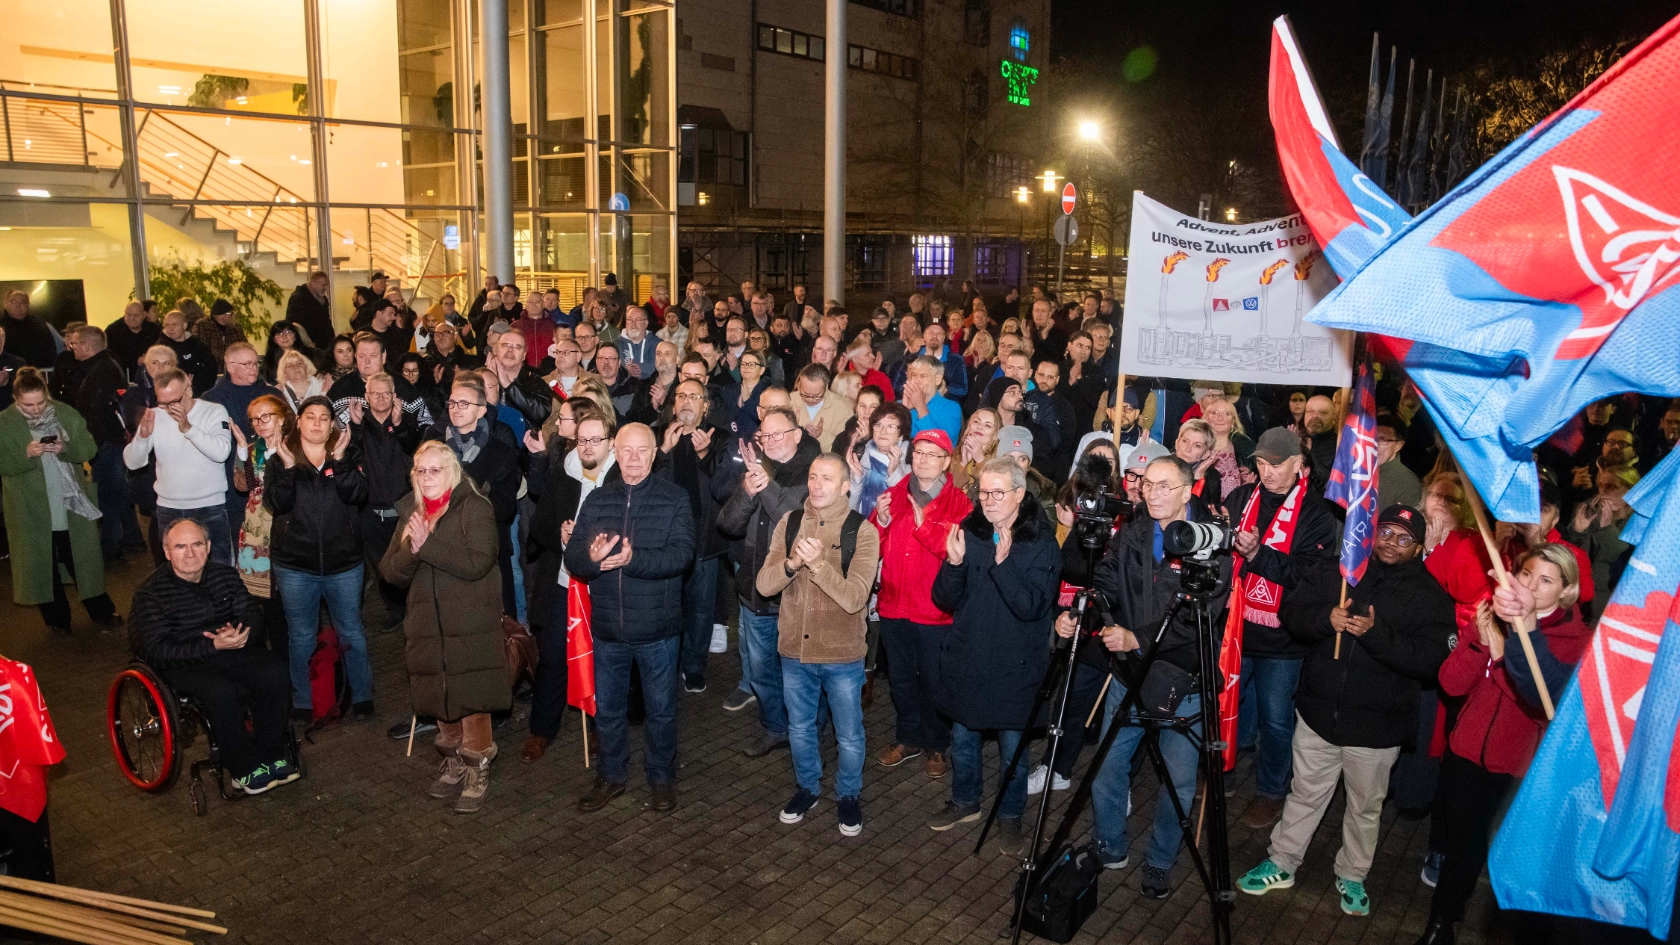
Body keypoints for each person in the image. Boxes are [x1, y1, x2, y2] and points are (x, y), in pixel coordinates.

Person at [1238, 505, 1454, 917]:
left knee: (1364, 808)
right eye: (1385, 532)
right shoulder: (1344, 571)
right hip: (1319, 714)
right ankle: (1282, 861)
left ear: (1419, 548)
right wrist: (1324, 618)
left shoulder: (1429, 597)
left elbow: (1432, 661)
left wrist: (1378, 636)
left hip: (1377, 729)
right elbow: (1291, 612)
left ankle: (1353, 873)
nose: (1391, 543)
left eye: (1403, 538)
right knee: (1304, 793)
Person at [1056, 454, 1232, 894]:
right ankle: (1111, 844)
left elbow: (1200, 617)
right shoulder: (1134, 530)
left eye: (1163, 486)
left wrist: (1137, 637)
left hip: (1181, 679)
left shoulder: (1210, 542)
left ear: (1188, 489)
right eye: (1146, 484)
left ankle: (1159, 860)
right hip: (1127, 676)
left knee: (1177, 782)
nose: (1151, 493)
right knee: (1107, 765)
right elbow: (1109, 583)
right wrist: (1083, 609)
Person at [1415, 544, 1590, 945]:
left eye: (1545, 580)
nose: (1530, 585)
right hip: (1467, 753)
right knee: (1462, 847)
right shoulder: (1493, 613)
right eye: (1526, 574)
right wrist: (1480, 644)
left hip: (1519, 770)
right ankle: (1441, 924)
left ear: (1566, 592)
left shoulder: (1575, 641)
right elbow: (1451, 684)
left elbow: (1545, 709)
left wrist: (1502, 657)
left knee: (1517, 857)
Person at [926, 457, 1060, 856]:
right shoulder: (972, 531)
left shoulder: (1040, 542)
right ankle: (965, 802)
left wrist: (1004, 566)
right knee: (963, 740)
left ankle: (1010, 815)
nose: (987, 500)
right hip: (969, 655)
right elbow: (945, 599)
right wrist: (952, 565)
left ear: (1020, 494)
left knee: (1013, 752)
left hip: (1015, 666)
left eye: (997, 492)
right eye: (983, 491)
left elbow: (1033, 607)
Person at [567, 423, 695, 813]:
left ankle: (660, 778)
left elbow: (682, 555)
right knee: (608, 709)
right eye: (626, 451)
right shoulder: (597, 500)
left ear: (654, 454)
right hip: (608, 628)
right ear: (615, 453)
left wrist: (633, 560)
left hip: (657, 628)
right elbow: (573, 557)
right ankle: (610, 775)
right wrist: (589, 559)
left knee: (660, 710)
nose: (634, 458)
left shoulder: (674, 498)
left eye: (642, 451)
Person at [379, 440, 509, 813]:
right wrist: (411, 549)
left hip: (469, 621)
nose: (427, 476)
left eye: (435, 469)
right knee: (438, 693)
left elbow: (478, 562)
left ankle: (477, 765)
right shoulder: (410, 513)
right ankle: (452, 760)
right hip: (426, 622)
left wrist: (427, 545)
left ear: (452, 472)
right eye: (421, 470)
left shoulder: (474, 508)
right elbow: (390, 573)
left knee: (472, 697)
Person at [757, 452, 881, 836]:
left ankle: (848, 794)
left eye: (827, 478)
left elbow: (855, 597)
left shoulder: (862, 531)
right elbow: (764, 585)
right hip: (794, 650)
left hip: (841, 654)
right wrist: (792, 564)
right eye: (813, 477)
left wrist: (818, 566)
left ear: (846, 485)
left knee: (849, 733)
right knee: (800, 728)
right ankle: (807, 788)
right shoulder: (790, 523)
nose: (817, 484)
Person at [1221, 428, 1339, 830]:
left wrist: (1258, 554)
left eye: (1276, 464)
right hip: (1237, 625)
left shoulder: (1316, 514)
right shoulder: (1240, 499)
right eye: (1260, 463)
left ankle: (1271, 791)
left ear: (1298, 465)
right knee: (1230, 705)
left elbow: (1309, 578)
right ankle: (1224, 773)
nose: (1267, 471)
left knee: (1275, 719)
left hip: (1283, 637)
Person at [130, 517, 295, 794]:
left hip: (229, 649)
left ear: (208, 547)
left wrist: (244, 634)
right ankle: (241, 769)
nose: (190, 553)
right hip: (183, 661)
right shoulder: (150, 594)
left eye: (196, 544)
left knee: (275, 671)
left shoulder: (225, 575)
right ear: (167, 551)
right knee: (220, 692)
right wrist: (212, 646)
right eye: (180, 547)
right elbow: (156, 650)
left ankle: (269, 755)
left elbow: (252, 614)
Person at [264, 396, 374, 721]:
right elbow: (276, 504)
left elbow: (357, 494)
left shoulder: (348, 453)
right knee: (300, 636)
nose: (316, 423)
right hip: (296, 566)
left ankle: (363, 695)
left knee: (351, 631)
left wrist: (339, 461)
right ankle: (303, 699)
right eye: (309, 416)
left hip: (344, 564)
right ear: (298, 422)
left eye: (323, 417)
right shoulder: (280, 458)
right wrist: (285, 469)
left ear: (332, 424)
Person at [715, 406, 821, 742]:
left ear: (797, 435)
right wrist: (747, 491)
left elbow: (797, 522)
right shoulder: (757, 470)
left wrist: (765, 486)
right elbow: (727, 525)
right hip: (756, 591)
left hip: (796, 593)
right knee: (761, 673)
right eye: (765, 434)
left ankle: (809, 734)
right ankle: (774, 727)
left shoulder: (814, 473)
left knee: (801, 673)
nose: (770, 440)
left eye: (778, 433)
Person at [871, 429, 970, 780]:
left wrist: (923, 525)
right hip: (895, 605)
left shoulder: (961, 503)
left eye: (933, 453)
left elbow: (958, 555)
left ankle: (937, 744)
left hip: (935, 612)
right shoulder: (893, 494)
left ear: (946, 461)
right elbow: (873, 548)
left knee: (934, 681)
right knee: (900, 680)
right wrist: (881, 522)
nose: (923, 459)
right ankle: (908, 737)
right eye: (919, 452)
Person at [523, 405, 617, 761]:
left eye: (596, 440)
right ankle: (541, 729)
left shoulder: (621, 481)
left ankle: (600, 728)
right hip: (564, 583)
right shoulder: (562, 476)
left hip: (604, 586)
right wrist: (560, 536)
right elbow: (538, 526)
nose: (588, 447)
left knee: (602, 659)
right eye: (582, 440)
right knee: (553, 658)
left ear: (611, 443)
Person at [0, 368, 121, 633]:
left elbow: (89, 448)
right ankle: (57, 620)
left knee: (82, 558)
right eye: (28, 405)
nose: (35, 410)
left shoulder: (65, 413)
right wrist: (25, 454)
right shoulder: (4, 422)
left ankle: (102, 611)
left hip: (68, 503)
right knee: (42, 564)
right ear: (15, 399)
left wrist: (66, 449)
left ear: (47, 394)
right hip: (29, 508)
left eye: (41, 403)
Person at [423, 375, 522, 617]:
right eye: (453, 403)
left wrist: (464, 503)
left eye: (464, 404)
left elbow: (505, 507)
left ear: (481, 411)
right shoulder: (432, 444)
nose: (456, 409)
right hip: (441, 543)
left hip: (485, 546)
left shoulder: (501, 452)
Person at [123, 367, 235, 566]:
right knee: (174, 572)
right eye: (162, 402)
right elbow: (133, 463)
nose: (168, 408)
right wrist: (142, 438)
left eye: (174, 401)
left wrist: (188, 428)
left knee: (218, 569)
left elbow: (221, 453)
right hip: (169, 508)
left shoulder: (214, 411)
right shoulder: (155, 415)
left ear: (189, 389)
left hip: (209, 506)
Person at [657, 380, 728, 694]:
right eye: (681, 396)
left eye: (694, 397)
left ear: (705, 405)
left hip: (704, 538)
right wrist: (662, 452)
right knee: (667, 605)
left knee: (701, 607)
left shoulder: (719, 438)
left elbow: (727, 488)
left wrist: (704, 454)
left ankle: (694, 666)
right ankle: (666, 664)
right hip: (665, 538)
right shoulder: (659, 435)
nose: (686, 402)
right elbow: (640, 480)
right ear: (673, 404)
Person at [346, 372, 421, 631]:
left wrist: (399, 426)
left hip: (403, 511)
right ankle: (394, 609)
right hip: (370, 512)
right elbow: (349, 458)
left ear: (394, 396)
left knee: (410, 562)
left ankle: (416, 608)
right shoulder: (357, 424)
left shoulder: (407, 421)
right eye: (375, 393)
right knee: (382, 567)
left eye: (385, 393)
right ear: (366, 397)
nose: (380, 398)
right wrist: (355, 428)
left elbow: (413, 449)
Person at [63, 325, 138, 560]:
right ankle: (133, 539)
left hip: (107, 444)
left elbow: (98, 414)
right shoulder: (104, 366)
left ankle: (109, 549)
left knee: (107, 497)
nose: (71, 347)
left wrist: (91, 447)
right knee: (119, 494)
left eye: (74, 343)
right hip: (112, 443)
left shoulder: (101, 371)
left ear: (87, 346)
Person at [229, 394, 292, 650]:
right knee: (265, 601)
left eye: (266, 416)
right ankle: (275, 654)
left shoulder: (294, 447)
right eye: (255, 419)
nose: (260, 423)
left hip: (285, 530)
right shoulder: (254, 450)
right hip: (256, 533)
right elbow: (245, 486)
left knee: (290, 597)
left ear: (282, 419)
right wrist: (243, 453)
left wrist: (278, 457)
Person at [203, 342, 280, 551]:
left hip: (273, 481)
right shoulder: (212, 400)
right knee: (240, 546)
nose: (254, 368)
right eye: (247, 364)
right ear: (230, 366)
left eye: (256, 363)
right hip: (232, 483)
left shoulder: (273, 395)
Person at [1565, 463, 1638, 620]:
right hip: (1580, 596)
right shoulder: (1590, 510)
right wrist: (1577, 532)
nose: (1603, 491)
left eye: (1611, 486)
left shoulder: (1639, 522)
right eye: (1600, 485)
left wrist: (1606, 530)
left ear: (1630, 489)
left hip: (1612, 600)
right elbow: (1568, 554)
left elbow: (1623, 561)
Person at [328, 333, 434, 428]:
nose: (367, 361)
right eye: (362, 356)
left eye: (373, 356)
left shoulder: (403, 388)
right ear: (355, 357)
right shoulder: (340, 388)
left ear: (383, 357)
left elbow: (426, 426)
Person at [845, 402, 910, 515]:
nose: (883, 431)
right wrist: (857, 478)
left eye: (891, 427)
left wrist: (895, 473)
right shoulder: (863, 454)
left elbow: (903, 507)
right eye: (878, 425)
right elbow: (851, 509)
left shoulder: (911, 462)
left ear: (901, 435)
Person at [902, 355, 962, 443]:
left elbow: (940, 441)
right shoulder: (901, 404)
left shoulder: (951, 407)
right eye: (914, 375)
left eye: (923, 376)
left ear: (938, 379)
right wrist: (904, 410)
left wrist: (920, 406)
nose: (917, 381)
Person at [1202, 396, 1256, 492]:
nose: (1220, 418)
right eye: (1214, 413)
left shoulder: (1246, 449)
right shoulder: (1194, 446)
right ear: (1206, 418)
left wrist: (1247, 483)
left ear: (1233, 421)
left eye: (1227, 414)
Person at [158, 309, 217, 395]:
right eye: (167, 325)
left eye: (174, 325)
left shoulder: (198, 345)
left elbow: (210, 367)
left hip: (201, 393)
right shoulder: (161, 348)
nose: (171, 329)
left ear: (184, 325)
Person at [1374, 412, 1423, 511]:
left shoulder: (1408, 484)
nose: (1375, 445)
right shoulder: (1357, 468)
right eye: (1372, 438)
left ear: (1398, 445)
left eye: (1382, 440)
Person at [107, 301, 162, 384]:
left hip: (153, 377)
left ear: (144, 315)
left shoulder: (154, 330)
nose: (132, 318)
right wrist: (136, 360)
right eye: (128, 314)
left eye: (136, 315)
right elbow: (111, 358)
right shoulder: (113, 331)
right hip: (124, 379)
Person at [1174, 418, 1224, 510]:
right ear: (1177, 443)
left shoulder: (1212, 478)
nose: (1188, 449)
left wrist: (1198, 478)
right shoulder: (1162, 465)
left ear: (1206, 454)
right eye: (1185, 441)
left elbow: (1200, 512)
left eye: (1197, 445)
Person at [1, 291, 57, 369]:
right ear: (5, 304)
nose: (18, 305)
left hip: (40, 372)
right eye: (13, 302)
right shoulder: (1, 326)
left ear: (28, 305)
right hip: (7, 374)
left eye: (23, 302)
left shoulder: (41, 325)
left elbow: (58, 348)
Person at [286, 271, 335, 349]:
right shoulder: (298, 299)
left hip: (321, 347)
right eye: (323, 285)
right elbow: (295, 325)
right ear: (314, 283)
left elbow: (326, 323)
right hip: (306, 347)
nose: (326, 289)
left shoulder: (322, 299)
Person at [1301, 394, 1338, 495]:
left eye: (1323, 413)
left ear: (1334, 418)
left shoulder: (1338, 446)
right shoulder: (1299, 439)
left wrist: (1307, 454)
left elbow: (1330, 484)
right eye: (1310, 411)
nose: (1315, 416)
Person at [193, 299, 248, 364]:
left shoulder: (236, 329)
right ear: (222, 315)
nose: (233, 316)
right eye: (231, 313)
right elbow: (201, 350)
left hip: (233, 370)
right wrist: (228, 357)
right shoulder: (202, 326)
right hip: (210, 369)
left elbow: (245, 348)